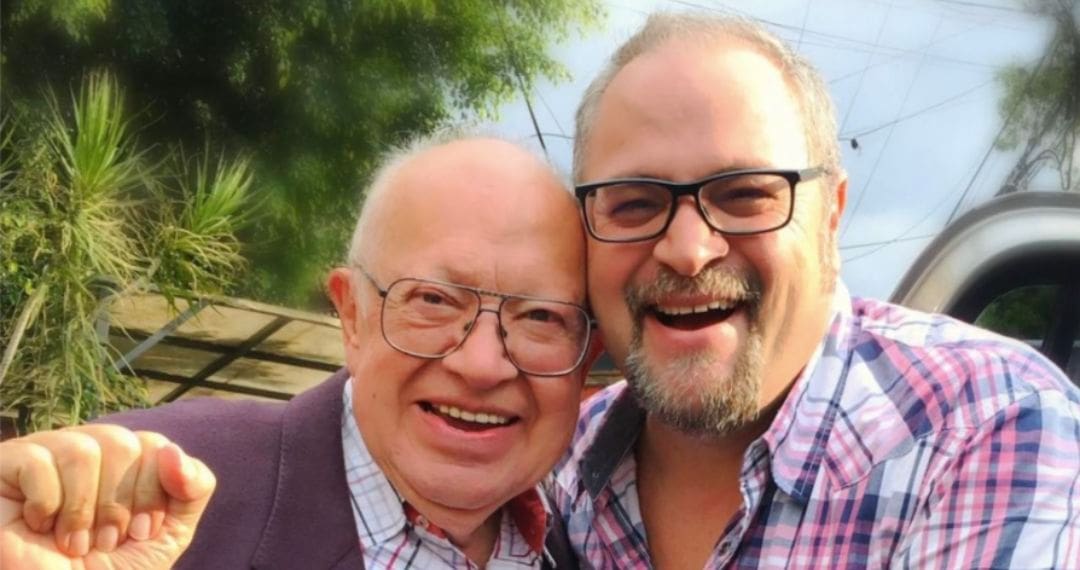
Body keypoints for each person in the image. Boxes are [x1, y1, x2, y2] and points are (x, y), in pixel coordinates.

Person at [553, 12, 1080, 570]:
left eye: (745, 195)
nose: (688, 250)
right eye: (634, 203)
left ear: (830, 215)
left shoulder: (995, 429)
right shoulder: (551, 463)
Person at [1, 134, 595, 568]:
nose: (482, 364)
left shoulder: (582, 545)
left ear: (586, 358)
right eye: (434, 300)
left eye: (541, 317)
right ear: (352, 315)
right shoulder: (139, 502)